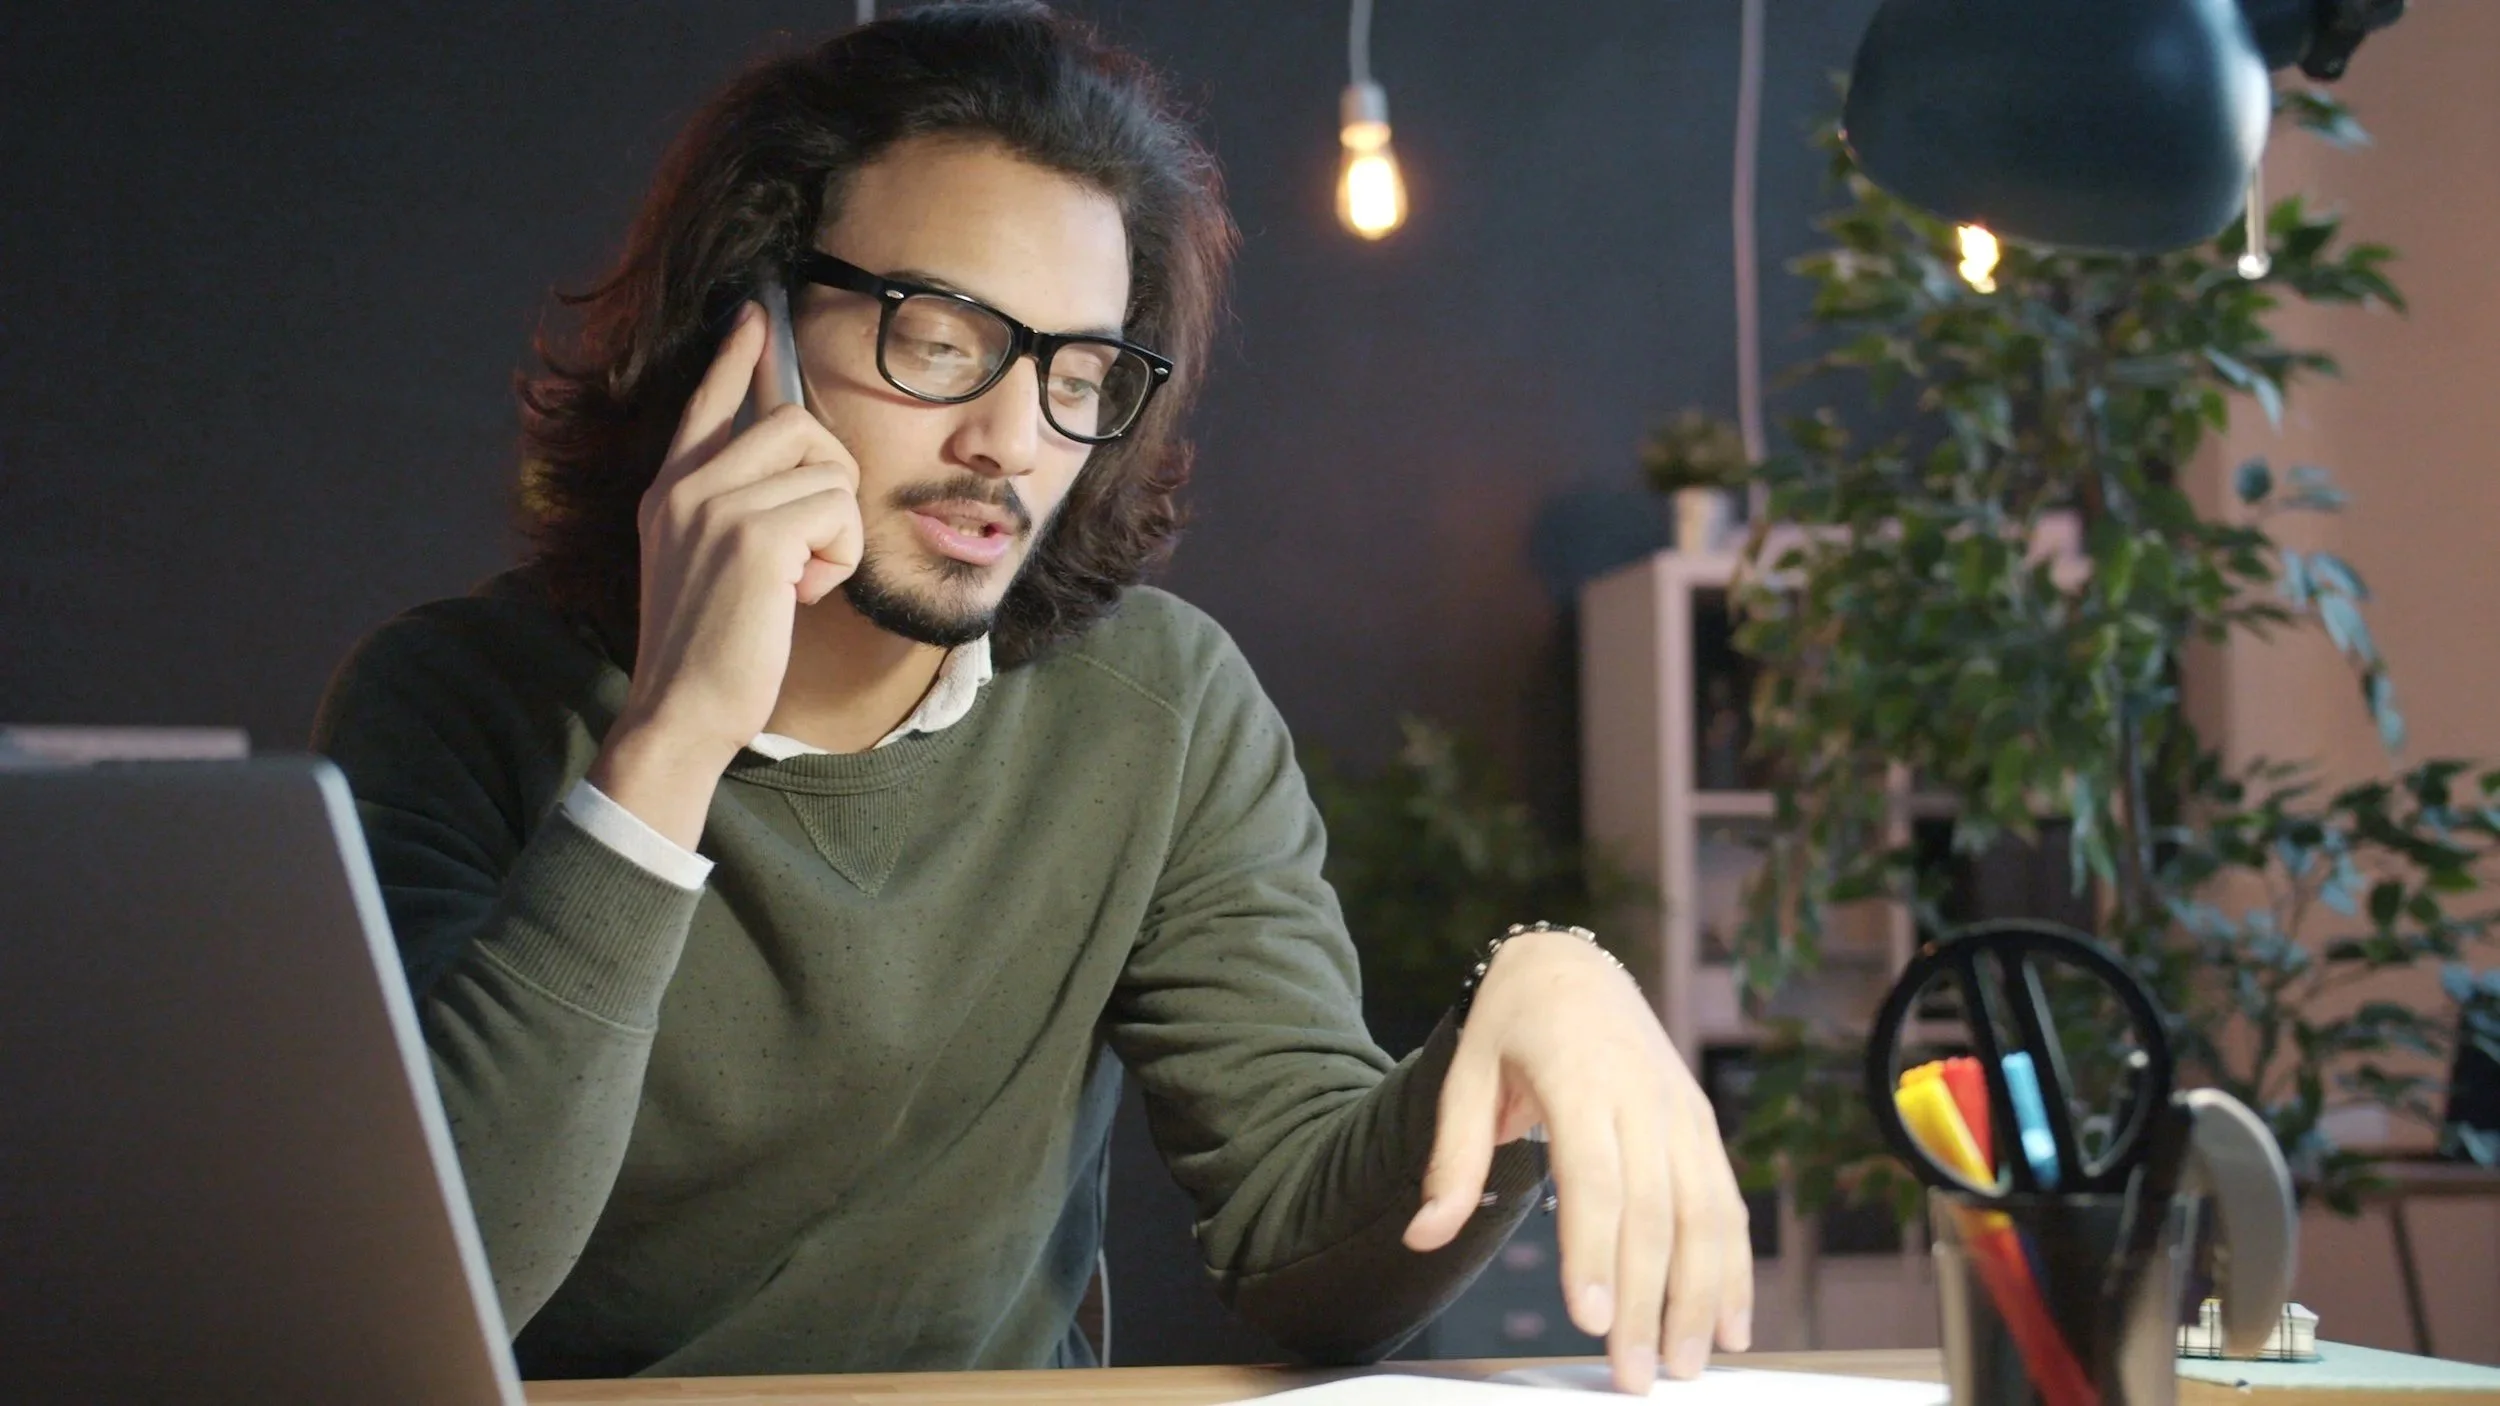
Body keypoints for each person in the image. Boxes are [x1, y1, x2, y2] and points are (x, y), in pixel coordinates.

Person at [313, 2, 1749, 1392]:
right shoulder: (458, 703)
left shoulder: (1158, 707)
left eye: (1079, 371)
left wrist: (1531, 1007)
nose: (1011, 441)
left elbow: (1301, 1250)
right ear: (744, 330)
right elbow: (425, 1289)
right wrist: (672, 740)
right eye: (940, 340)